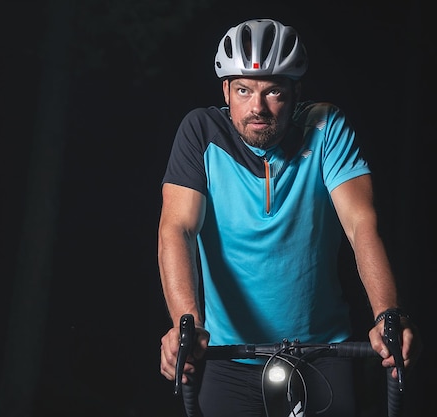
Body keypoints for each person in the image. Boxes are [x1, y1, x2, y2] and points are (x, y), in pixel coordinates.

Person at [158, 18, 421, 417]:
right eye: (244, 90)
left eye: (273, 91)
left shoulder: (325, 126)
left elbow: (360, 224)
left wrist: (387, 313)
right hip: (228, 356)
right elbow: (177, 229)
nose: (257, 107)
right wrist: (184, 323)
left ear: (296, 91)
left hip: (321, 353)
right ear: (226, 90)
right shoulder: (201, 132)